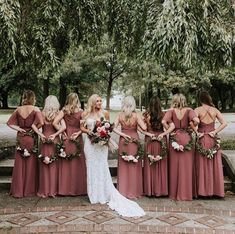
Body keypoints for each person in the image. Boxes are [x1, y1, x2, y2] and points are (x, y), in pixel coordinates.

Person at [81, 94, 145, 217]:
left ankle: (104, 193)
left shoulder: (105, 113)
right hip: (90, 144)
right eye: (97, 101)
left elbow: (109, 128)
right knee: (91, 167)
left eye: (101, 100)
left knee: (102, 167)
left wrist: (103, 135)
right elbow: (82, 127)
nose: (100, 102)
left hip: (101, 145)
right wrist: (90, 132)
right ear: (92, 102)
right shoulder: (85, 114)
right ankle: (93, 194)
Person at [162, 93, 199, 201]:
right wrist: (191, 129)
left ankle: (174, 193)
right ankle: (187, 193)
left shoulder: (171, 111)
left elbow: (163, 121)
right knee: (186, 167)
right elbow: (196, 121)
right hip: (186, 137)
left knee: (174, 166)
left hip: (175, 138)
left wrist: (170, 130)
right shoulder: (189, 110)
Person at [7, 90, 43, 197]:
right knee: (31, 163)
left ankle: (18, 190)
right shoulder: (35, 109)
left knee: (20, 163)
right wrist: (34, 129)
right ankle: (29, 190)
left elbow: (9, 123)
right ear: (32, 98)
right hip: (31, 137)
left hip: (21, 137)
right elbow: (41, 122)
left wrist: (19, 128)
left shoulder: (18, 109)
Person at [113, 96, 147, 199]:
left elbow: (112, 127)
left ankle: (123, 191)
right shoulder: (136, 116)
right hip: (134, 140)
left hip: (124, 140)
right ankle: (134, 191)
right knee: (134, 165)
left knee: (124, 166)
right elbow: (144, 128)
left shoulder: (119, 115)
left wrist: (122, 134)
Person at [194, 91, 227, 197]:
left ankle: (202, 191)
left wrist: (197, 132)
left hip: (202, 138)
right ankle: (215, 191)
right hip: (213, 139)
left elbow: (192, 123)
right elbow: (224, 123)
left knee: (202, 164)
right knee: (214, 164)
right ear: (209, 98)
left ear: (200, 99)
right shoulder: (215, 110)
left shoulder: (197, 110)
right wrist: (215, 131)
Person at [53, 93, 87, 196]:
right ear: (77, 100)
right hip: (76, 137)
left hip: (67, 137)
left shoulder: (64, 110)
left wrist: (62, 132)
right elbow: (85, 127)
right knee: (77, 162)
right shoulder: (82, 112)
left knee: (66, 163)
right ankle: (78, 189)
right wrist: (78, 133)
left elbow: (55, 123)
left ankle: (64, 189)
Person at [140, 96, 174, 197]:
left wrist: (146, 133)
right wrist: (164, 134)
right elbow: (173, 126)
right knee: (161, 165)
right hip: (161, 139)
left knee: (150, 165)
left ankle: (149, 190)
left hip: (149, 139)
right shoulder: (163, 114)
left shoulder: (145, 115)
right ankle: (161, 190)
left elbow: (138, 127)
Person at [34, 95, 66, 198]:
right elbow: (63, 127)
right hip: (54, 140)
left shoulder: (42, 114)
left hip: (44, 140)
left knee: (44, 164)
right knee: (54, 165)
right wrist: (57, 134)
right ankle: (53, 190)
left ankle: (44, 190)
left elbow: (34, 125)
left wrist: (41, 134)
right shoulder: (58, 114)